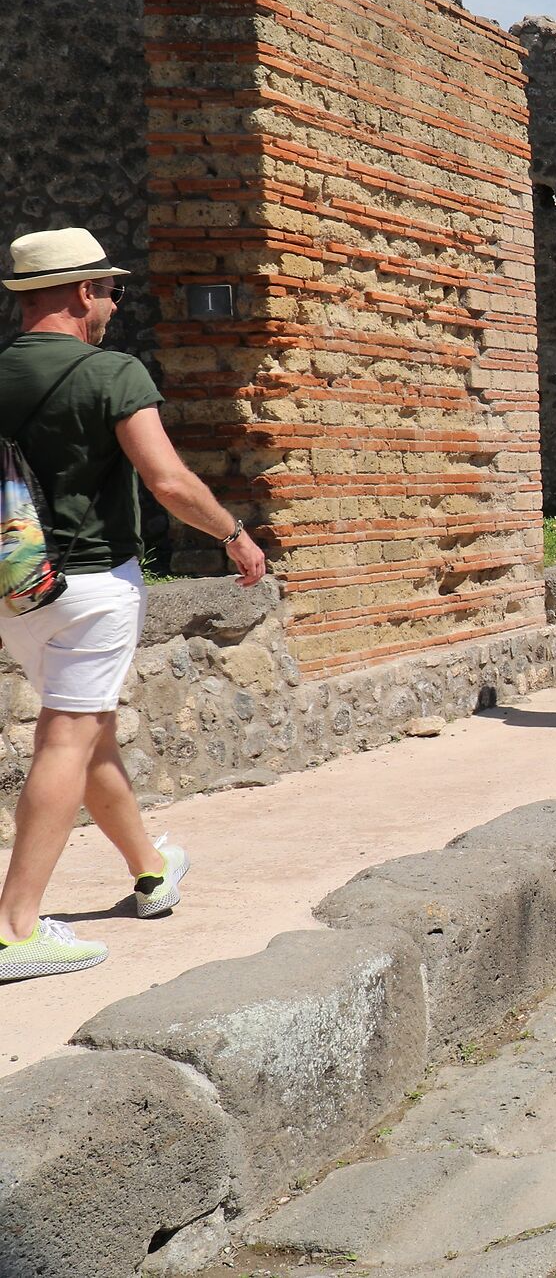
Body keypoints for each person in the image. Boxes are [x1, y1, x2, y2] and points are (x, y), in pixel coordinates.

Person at [0, 230, 269, 983]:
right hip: (90, 587)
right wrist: (235, 534)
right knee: (67, 735)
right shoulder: (112, 373)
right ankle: (15, 927)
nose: (114, 304)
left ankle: (150, 869)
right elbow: (169, 481)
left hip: (15, 588)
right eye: (109, 290)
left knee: (90, 734)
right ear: (83, 292)